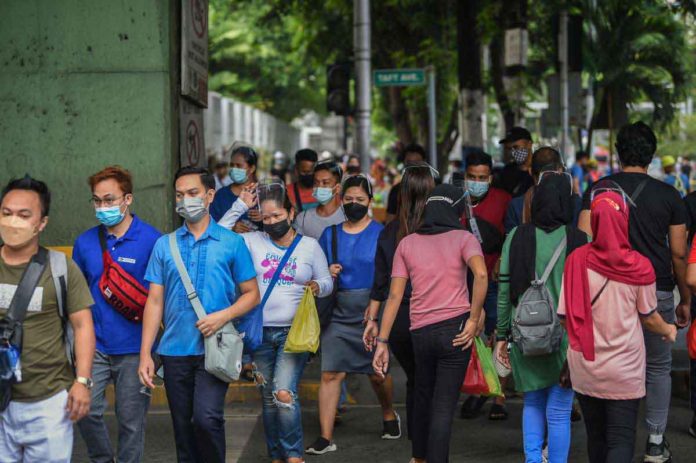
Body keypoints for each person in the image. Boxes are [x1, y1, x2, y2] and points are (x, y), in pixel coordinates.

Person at [579, 121, 690, 463]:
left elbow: (584, 243)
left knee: (608, 360)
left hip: (606, 293)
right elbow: (678, 253)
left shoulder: (598, 190)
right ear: (652, 154)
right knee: (657, 367)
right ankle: (655, 441)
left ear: (618, 153)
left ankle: (611, 435)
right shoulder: (669, 195)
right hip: (656, 289)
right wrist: (685, 298)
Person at [138, 166, 261, 463]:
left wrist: (222, 316)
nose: (185, 200)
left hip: (214, 348)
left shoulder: (232, 243)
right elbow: (154, 301)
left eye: (192, 193)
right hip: (174, 350)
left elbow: (252, 295)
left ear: (209, 196)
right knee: (183, 429)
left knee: (206, 419)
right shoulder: (164, 245)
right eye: (180, 195)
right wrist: (146, 354)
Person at [372, 183, 487, 463]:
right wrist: (474, 318)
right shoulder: (464, 238)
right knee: (443, 407)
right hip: (455, 330)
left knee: (425, 394)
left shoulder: (407, 243)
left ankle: (418, 457)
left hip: (420, 333)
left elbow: (395, 294)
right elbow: (481, 276)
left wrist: (382, 342)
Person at [560, 190, 677, 463]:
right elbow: (649, 317)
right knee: (621, 439)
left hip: (586, 364)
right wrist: (669, 330)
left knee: (596, 438)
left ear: (596, 221)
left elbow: (565, 316)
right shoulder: (640, 267)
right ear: (624, 220)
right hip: (624, 368)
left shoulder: (576, 260)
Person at [0, 176, 96, 462]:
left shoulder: (60, 268)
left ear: (41, 223)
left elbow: (83, 326)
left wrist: (82, 381)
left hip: (49, 404)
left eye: (23, 215)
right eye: (6, 213)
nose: (12, 221)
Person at [496, 172, 588, 463]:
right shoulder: (579, 239)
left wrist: (500, 335)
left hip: (525, 333)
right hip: (566, 337)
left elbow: (504, 291)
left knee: (532, 403)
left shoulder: (516, 236)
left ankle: (534, 459)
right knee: (560, 410)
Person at [306, 175, 399, 455]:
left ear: (370, 202)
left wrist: (378, 309)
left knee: (377, 375)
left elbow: (392, 277)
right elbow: (316, 273)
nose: (354, 204)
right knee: (331, 373)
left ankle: (389, 413)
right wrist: (326, 273)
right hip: (338, 311)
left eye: (360, 200)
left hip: (374, 310)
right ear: (340, 200)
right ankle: (325, 437)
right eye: (348, 200)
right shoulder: (330, 235)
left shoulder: (383, 233)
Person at [73, 166, 161, 463]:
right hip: (94, 347)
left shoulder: (152, 240)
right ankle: (102, 459)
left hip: (136, 349)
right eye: (97, 201)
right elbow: (77, 299)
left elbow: (158, 300)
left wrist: (150, 352)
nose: (102, 207)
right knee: (85, 410)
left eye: (109, 200)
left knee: (131, 422)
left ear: (128, 199)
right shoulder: (85, 243)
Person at [242, 184, 333, 463]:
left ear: (291, 212)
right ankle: (277, 455)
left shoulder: (309, 246)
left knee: (283, 391)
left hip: (294, 333)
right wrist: (239, 206)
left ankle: (294, 456)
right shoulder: (251, 241)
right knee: (269, 399)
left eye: (277, 215)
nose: (271, 222)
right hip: (259, 333)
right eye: (266, 218)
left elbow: (328, 281)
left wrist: (318, 285)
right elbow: (217, 234)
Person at [362, 163, 436, 454]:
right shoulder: (442, 230)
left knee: (416, 378)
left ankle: (418, 446)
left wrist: (373, 319)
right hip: (433, 314)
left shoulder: (390, 231)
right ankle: (428, 444)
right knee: (430, 382)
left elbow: (380, 283)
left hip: (399, 321)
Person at [457, 151, 512, 421]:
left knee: (496, 335)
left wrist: (500, 263)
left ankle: (499, 396)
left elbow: (512, 235)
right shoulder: (456, 201)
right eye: (472, 177)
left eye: (482, 178)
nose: (476, 182)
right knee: (471, 335)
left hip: (492, 280)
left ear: (490, 178)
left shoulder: (503, 201)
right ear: (465, 177)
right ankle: (478, 388)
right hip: (461, 280)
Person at [504, 147, 583, 234]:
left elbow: (511, 243)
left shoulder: (516, 206)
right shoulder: (577, 204)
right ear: (560, 170)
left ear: (530, 171)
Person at [210, 145, 262, 233]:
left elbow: (277, 221)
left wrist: (265, 217)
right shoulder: (221, 195)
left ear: (252, 168)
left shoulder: (263, 193)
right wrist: (231, 227)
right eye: (232, 165)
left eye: (239, 165)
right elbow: (210, 227)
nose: (234, 169)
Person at [294, 162, 345, 240]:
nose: (319, 187)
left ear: (337, 188)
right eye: (316, 182)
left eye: (325, 183)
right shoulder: (303, 219)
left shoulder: (347, 216)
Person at [386, 143, 428, 222]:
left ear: (424, 162)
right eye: (409, 162)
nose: (413, 166)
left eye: (417, 162)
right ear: (404, 164)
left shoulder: (434, 189)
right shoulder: (396, 191)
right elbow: (389, 222)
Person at [492, 126, 534, 198]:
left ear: (529, 144)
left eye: (516, 147)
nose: (513, 152)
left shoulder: (541, 169)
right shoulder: (507, 171)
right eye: (509, 148)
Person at [287, 148, 320, 213]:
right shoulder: (287, 193)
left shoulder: (325, 191)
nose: (309, 175)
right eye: (305, 172)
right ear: (296, 170)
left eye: (311, 171)